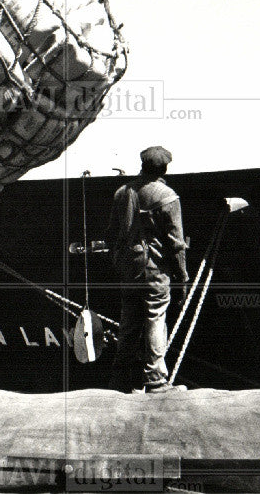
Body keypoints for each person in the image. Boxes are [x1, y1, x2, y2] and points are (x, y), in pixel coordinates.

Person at [106, 145, 189, 393]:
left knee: (129, 320)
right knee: (155, 317)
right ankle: (155, 380)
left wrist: (119, 261)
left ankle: (122, 381)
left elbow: (112, 234)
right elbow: (176, 244)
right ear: (164, 168)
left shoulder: (122, 192)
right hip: (154, 268)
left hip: (129, 268)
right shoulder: (167, 197)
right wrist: (182, 275)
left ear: (142, 165)